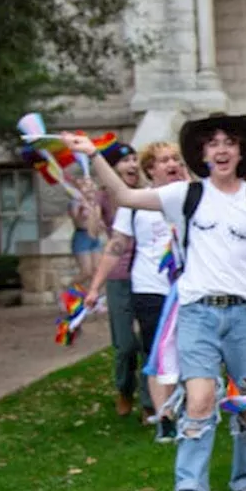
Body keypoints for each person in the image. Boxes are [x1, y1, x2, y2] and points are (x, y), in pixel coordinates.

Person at [65, 114, 246, 491]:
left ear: (242, 152)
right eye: (213, 143)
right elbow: (127, 196)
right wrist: (94, 155)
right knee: (201, 397)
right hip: (197, 312)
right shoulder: (185, 195)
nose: (221, 150)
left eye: (230, 142)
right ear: (202, 153)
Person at [86, 141, 189, 443]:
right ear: (150, 169)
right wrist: (94, 288)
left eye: (175, 159)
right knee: (158, 351)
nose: (171, 164)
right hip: (151, 289)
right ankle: (165, 418)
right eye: (163, 160)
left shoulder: (190, 197)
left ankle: (190, 407)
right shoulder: (135, 206)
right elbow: (115, 247)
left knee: (189, 351)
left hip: (188, 288)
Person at [89, 141, 152, 418]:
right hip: (119, 277)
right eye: (125, 161)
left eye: (135, 159)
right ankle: (125, 389)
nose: (132, 165)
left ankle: (151, 401)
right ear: (112, 167)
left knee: (150, 339)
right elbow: (92, 231)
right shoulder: (104, 197)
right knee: (125, 344)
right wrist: (91, 203)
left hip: (149, 276)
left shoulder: (145, 195)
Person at [68, 174, 104, 289]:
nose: (89, 188)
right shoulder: (76, 202)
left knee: (97, 271)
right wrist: (82, 208)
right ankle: (66, 289)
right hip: (81, 237)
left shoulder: (96, 203)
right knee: (86, 272)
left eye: (91, 185)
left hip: (94, 238)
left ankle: (93, 299)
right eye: (85, 186)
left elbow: (99, 222)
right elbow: (75, 218)